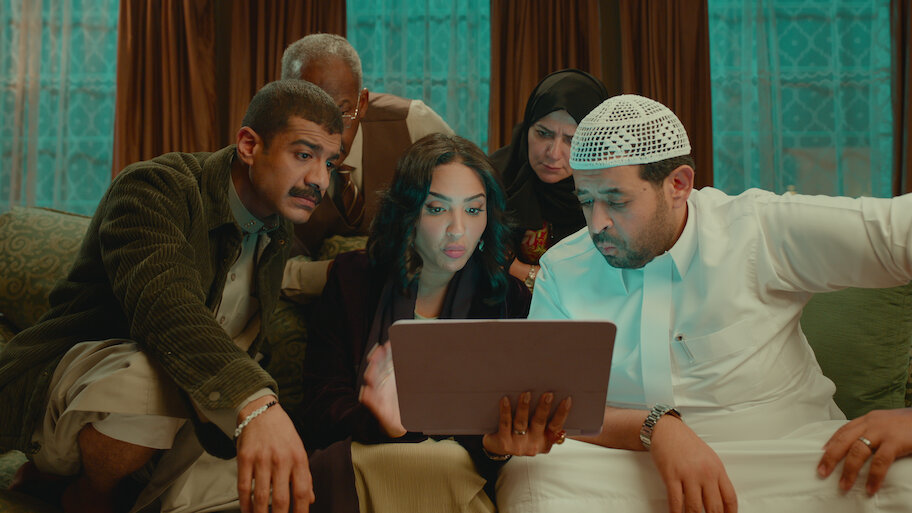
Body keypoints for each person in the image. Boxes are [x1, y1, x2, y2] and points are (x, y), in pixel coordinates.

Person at [495, 94, 912, 512]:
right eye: (586, 201)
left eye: (617, 201)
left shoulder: (758, 230)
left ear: (678, 185)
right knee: (535, 476)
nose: (597, 223)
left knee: (901, 476)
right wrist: (656, 429)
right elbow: (555, 406)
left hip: (787, 459)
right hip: (638, 464)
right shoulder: (564, 269)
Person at [0, 79, 343, 513]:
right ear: (249, 145)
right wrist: (256, 403)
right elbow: (165, 309)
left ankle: (98, 488)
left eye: (330, 163)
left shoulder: (278, 226)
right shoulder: (154, 186)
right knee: (152, 374)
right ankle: (89, 492)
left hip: (188, 409)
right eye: (304, 155)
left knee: (270, 487)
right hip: (76, 396)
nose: (319, 180)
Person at [295, 133, 571, 513]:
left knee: (448, 462)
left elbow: (499, 431)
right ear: (407, 213)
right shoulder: (353, 279)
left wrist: (493, 446)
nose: (457, 229)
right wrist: (380, 423)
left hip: (458, 475)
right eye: (437, 209)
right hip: (362, 467)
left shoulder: (506, 297)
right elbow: (318, 409)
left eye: (473, 210)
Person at [280, 33, 455, 298]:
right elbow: (264, 272)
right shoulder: (269, 155)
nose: (327, 134)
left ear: (362, 103)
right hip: (313, 295)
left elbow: (475, 193)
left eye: (341, 113)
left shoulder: (413, 124)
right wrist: (343, 273)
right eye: (308, 114)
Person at [488, 68, 608, 292]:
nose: (553, 153)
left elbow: (605, 279)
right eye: (543, 134)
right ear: (527, 128)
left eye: (572, 140)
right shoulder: (490, 178)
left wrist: (521, 272)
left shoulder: (612, 192)